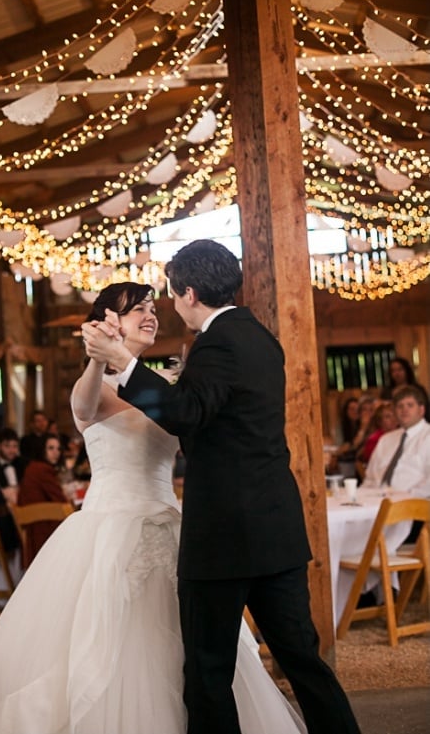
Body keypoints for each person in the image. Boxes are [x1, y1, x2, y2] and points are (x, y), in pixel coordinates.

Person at [0, 281, 307, 734]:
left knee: (194, 650)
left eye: (152, 306)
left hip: (173, 529)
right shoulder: (95, 387)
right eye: (137, 308)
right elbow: (81, 404)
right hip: (109, 532)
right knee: (108, 647)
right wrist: (101, 354)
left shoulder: (165, 386)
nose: (150, 314)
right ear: (109, 321)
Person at [82, 241, 361, 734]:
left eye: (168, 295)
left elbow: (185, 413)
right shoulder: (259, 338)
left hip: (223, 539)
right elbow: (209, 417)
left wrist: (123, 363)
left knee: (209, 672)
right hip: (276, 530)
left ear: (189, 292)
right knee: (304, 663)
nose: (167, 307)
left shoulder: (217, 344)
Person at [362, 385, 430, 497]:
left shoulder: (428, 436)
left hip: (415, 503)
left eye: (410, 405)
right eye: (400, 406)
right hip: (376, 500)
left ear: (421, 410)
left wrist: (408, 496)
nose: (404, 410)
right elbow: (370, 478)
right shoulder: (386, 440)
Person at [18, 433, 69, 567]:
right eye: (51, 448)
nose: (55, 453)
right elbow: (62, 502)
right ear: (42, 450)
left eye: (58, 449)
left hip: (33, 528)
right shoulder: (43, 469)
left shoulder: (32, 467)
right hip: (43, 528)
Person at [355, 401, 398, 481]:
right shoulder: (375, 439)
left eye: (394, 415)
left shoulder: (401, 435)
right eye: (388, 417)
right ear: (380, 421)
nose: (393, 419)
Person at [0, 427, 26, 507]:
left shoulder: (22, 463)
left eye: (15, 446)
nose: (12, 450)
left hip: (22, 509)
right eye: (7, 446)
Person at [381, 357, 430, 422]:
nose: (397, 373)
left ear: (407, 370)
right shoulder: (387, 391)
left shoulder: (418, 389)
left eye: (400, 369)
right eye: (393, 371)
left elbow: (426, 409)